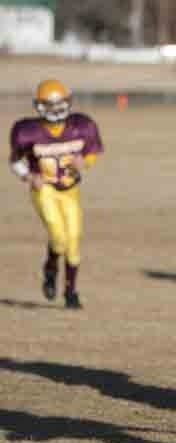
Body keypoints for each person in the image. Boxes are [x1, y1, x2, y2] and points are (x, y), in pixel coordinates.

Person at [9, 79, 104, 310]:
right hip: (45, 190)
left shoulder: (82, 126)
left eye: (59, 104)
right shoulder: (27, 131)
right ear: (39, 106)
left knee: (73, 242)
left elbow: (92, 154)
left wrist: (85, 163)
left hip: (71, 190)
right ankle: (51, 269)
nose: (55, 110)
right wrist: (29, 176)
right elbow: (15, 161)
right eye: (49, 105)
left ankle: (71, 293)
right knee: (58, 237)